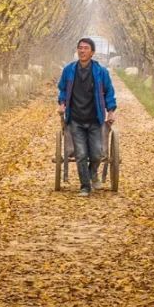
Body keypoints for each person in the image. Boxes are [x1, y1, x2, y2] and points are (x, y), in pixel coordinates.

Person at [57, 37, 117, 196]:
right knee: (81, 154)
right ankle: (85, 186)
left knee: (97, 154)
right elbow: (62, 89)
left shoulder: (101, 72)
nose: (82, 51)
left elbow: (109, 92)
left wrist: (111, 110)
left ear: (92, 52)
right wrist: (62, 103)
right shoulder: (69, 70)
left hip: (95, 119)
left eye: (85, 48)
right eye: (80, 48)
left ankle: (92, 173)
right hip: (75, 119)